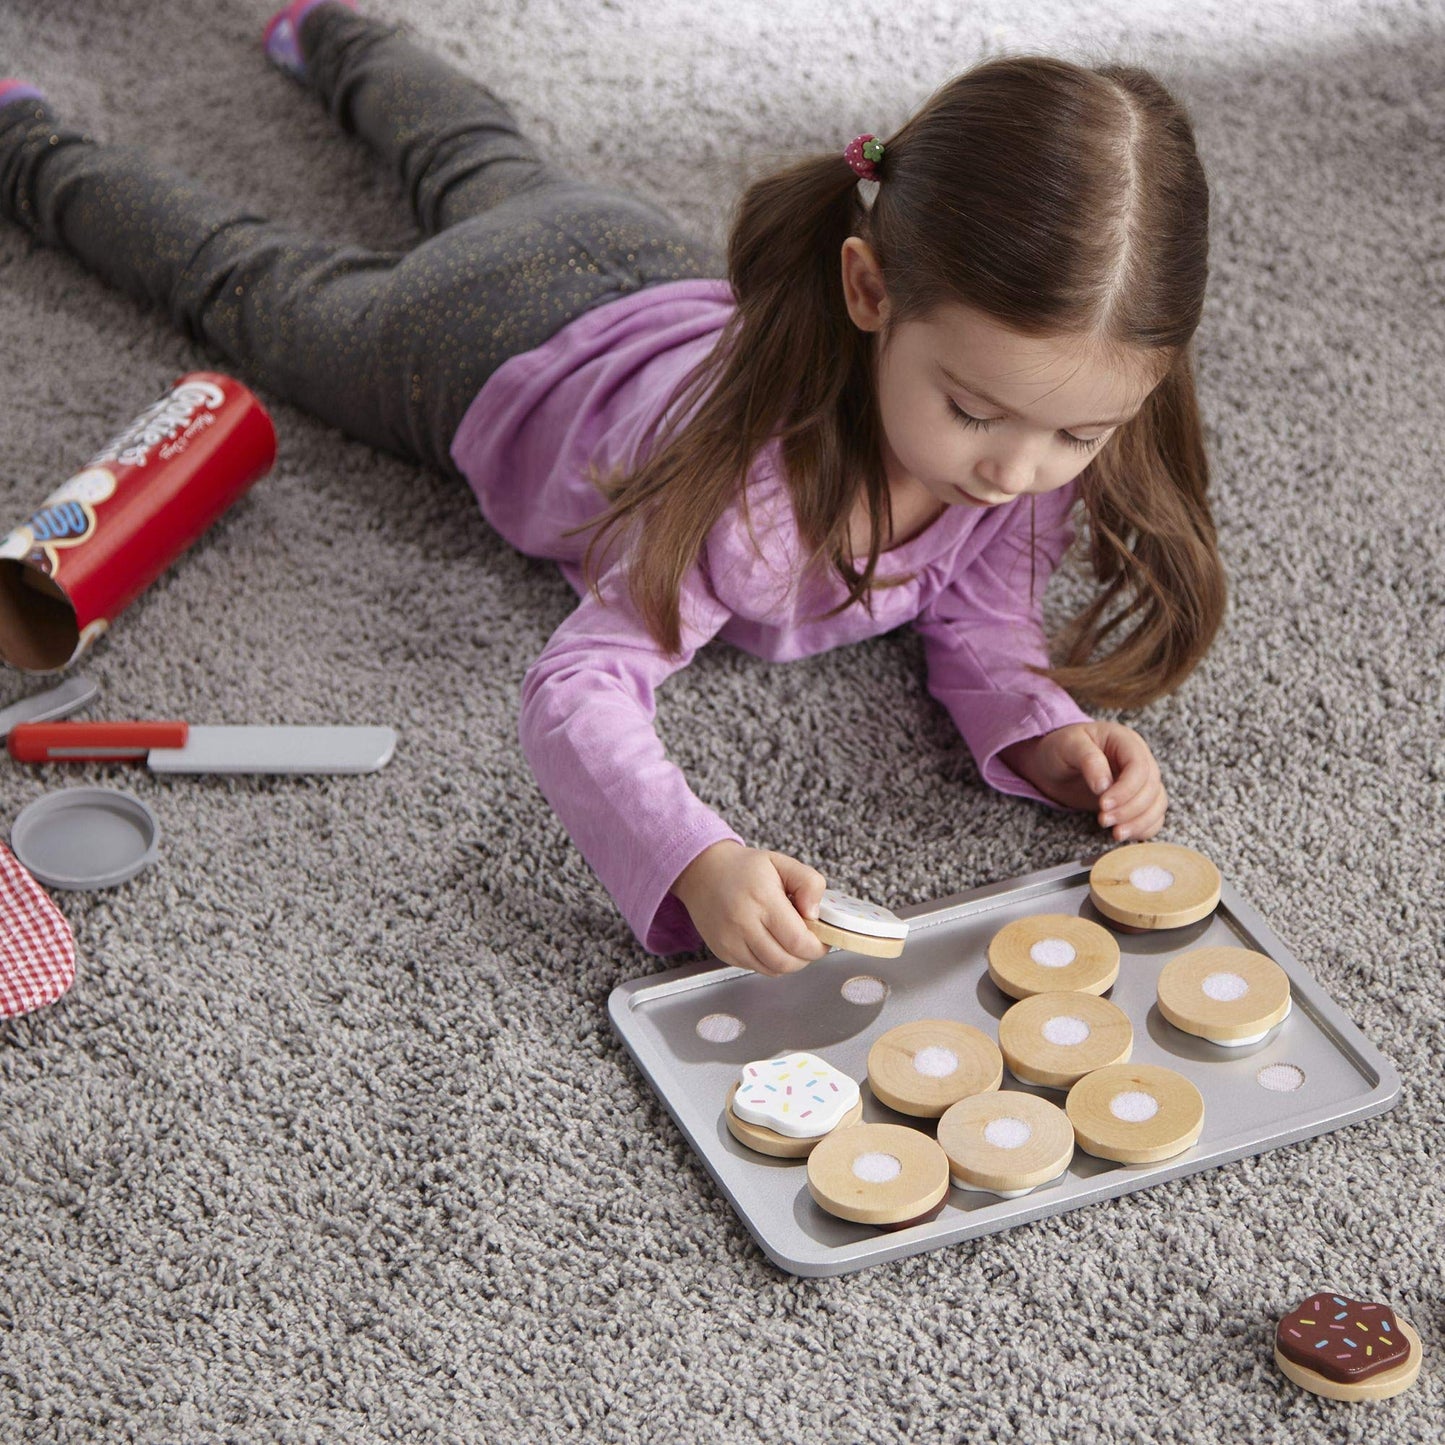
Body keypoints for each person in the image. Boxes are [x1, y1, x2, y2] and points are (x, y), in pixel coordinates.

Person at [0, 2, 1226, 977]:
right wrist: (692, 856)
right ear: (865, 291)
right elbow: (575, 687)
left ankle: (330, 26)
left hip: (626, 258)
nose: (1016, 471)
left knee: (480, 156)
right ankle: (28, 140)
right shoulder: (747, 506)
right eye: (970, 411)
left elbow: (977, 603)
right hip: (468, 349)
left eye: (1075, 431)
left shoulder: (1036, 447)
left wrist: (1038, 723)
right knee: (243, 283)